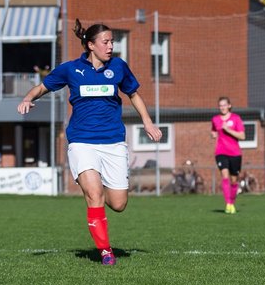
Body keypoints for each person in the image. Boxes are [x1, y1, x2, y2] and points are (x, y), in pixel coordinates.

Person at [17, 20, 162, 266]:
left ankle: (98, 188)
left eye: (112, 42)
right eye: (105, 42)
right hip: (82, 142)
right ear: (90, 45)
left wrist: (147, 122)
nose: (111, 46)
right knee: (94, 194)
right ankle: (105, 251)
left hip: (113, 142)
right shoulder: (71, 69)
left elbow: (133, 94)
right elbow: (43, 87)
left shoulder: (118, 67)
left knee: (118, 204)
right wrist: (28, 98)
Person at [211, 96, 245, 214]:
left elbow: (242, 136)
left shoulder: (236, 118)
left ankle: (232, 202)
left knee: (234, 180)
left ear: (229, 106)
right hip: (221, 152)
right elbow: (214, 130)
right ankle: (228, 204)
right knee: (225, 176)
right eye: (220, 105)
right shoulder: (215, 119)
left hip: (235, 153)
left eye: (224, 105)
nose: (222, 107)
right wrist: (214, 134)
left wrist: (228, 130)